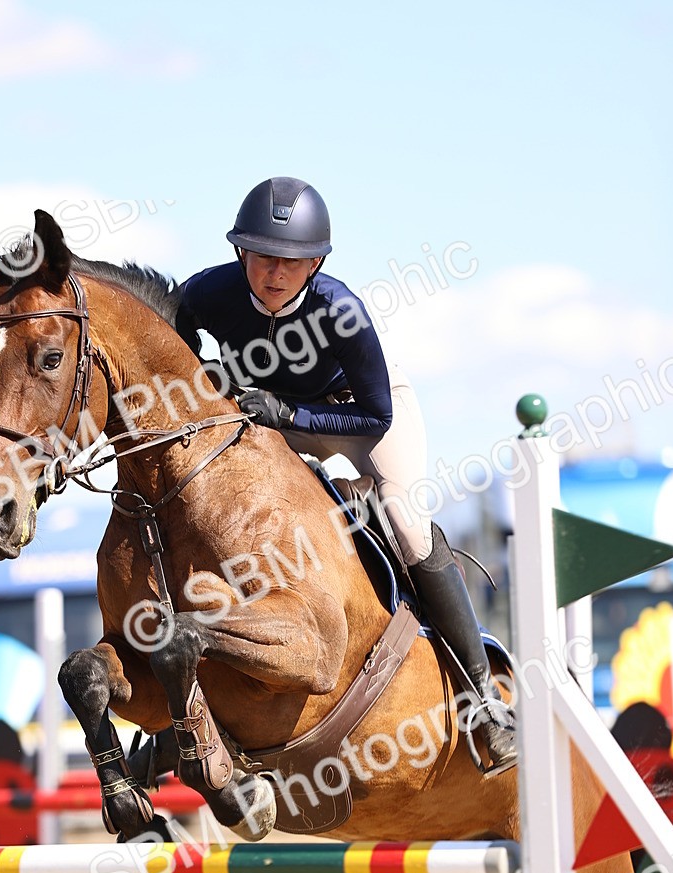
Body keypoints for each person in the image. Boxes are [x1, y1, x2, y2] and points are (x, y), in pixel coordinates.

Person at [177, 176, 515, 771]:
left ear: (315, 263)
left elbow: (376, 412)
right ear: (240, 253)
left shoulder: (340, 309)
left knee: (407, 523)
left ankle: (482, 698)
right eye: (262, 257)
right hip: (275, 414)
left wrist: (283, 412)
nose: (275, 274)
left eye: (292, 261)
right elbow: (171, 328)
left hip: (361, 414)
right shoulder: (210, 292)